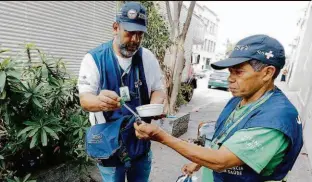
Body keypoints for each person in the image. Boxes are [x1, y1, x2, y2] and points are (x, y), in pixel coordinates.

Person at [134, 34, 303, 182]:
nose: (230, 79)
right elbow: (222, 138)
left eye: (238, 72)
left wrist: (162, 136)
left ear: (267, 73)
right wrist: (199, 161)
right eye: (230, 72)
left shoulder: (275, 120)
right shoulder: (240, 99)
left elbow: (221, 160)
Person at [77, 2, 166, 181]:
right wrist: (100, 102)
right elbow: (85, 99)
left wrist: (156, 105)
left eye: (139, 34)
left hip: (140, 142)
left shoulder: (148, 58)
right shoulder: (94, 59)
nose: (135, 40)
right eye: (130, 33)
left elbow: (158, 89)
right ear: (116, 28)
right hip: (108, 145)